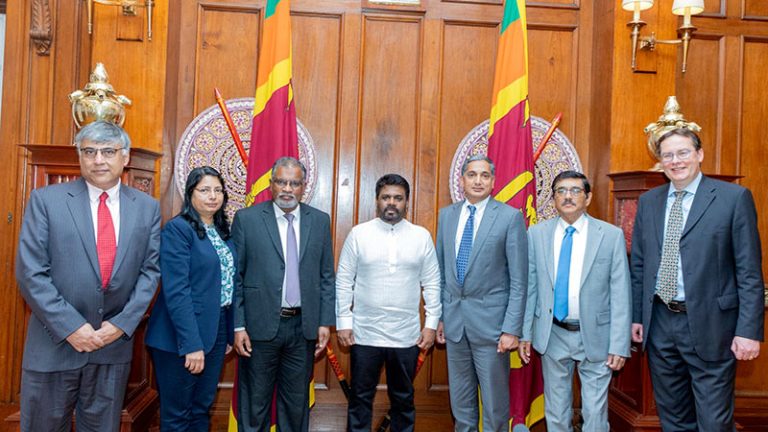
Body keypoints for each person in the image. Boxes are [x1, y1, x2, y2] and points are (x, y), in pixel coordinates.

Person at [15, 121, 161, 432]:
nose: (98, 160)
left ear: (125, 157)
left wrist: (120, 325)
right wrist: (72, 327)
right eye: (89, 151)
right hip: (53, 344)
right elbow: (31, 272)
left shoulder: (147, 208)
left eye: (108, 151)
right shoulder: (46, 201)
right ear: (79, 156)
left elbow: (150, 272)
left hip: (111, 347)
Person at [630, 128, 764, 430]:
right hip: (661, 322)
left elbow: (749, 271)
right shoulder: (650, 201)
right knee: (673, 418)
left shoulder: (733, 198)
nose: (675, 161)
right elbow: (638, 264)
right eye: (668, 155)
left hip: (713, 324)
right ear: (660, 162)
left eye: (683, 153)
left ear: (699, 155)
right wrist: (637, 317)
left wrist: (748, 330)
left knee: (714, 422)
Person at [519, 171, 631, 431]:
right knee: (556, 413)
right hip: (553, 333)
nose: (567, 196)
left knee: (594, 414)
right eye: (561, 191)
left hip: (596, 335)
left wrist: (619, 344)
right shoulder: (536, 234)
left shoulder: (610, 235)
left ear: (588, 197)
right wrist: (525, 333)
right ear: (554, 198)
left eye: (575, 190)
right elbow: (531, 287)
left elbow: (621, 293)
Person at [231, 156, 335, 431]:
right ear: (271, 184)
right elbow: (236, 278)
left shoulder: (320, 221)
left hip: (303, 329)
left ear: (304, 186)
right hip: (258, 328)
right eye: (281, 182)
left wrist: (324, 321)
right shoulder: (247, 219)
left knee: (295, 406)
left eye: (294, 183)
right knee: (255, 406)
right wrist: (238, 325)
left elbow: (326, 276)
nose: (287, 189)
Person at [336, 174, 441, 432]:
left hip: (405, 335)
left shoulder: (421, 236)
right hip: (364, 333)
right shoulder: (359, 234)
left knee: (403, 398)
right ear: (377, 201)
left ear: (407, 202)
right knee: (360, 398)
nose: (391, 203)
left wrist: (430, 325)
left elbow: (433, 283)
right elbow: (343, 281)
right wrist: (343, 322)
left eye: (398, 198)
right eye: (386, 197)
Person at [435, 154, 528, 432]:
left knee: (494, 407)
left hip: (493, 329)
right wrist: (440, 317)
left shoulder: (510, 218)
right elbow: (441, 272)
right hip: (454, 325)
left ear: (493, 181)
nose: (478, 180)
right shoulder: (446, 215)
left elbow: (519, 280)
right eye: (472, 174)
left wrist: (512, 328)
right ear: (461, 180)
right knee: (461, 404)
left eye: (484, 175)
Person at [145, 166, 235, 431]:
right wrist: (191, 344)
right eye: (205, 190)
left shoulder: (221, 232)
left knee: (201, 408)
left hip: (215, 329)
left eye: (218, 190)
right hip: (179, 336)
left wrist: (227, 333)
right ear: (190, 193)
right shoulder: (178, 230)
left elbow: (229, 285)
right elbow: (177, 291)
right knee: (177, 415)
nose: (213, 196)